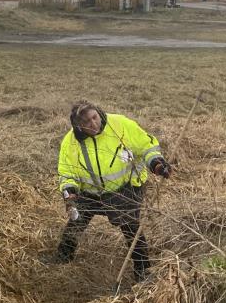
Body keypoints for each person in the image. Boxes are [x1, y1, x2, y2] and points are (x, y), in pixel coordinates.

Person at [53, 101, 171, 281]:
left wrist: (156, 163)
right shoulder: (71, 142)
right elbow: (66, 172)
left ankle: (143, 271)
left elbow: (147, 146)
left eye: (94, 117)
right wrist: (69, 191)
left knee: (131, 227)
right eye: (86, 122)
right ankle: (63, 257)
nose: (93, 124)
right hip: (90, 192)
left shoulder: (120, 125)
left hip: (124, 188)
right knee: (76, 220)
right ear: (78, 126)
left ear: (98, 113)